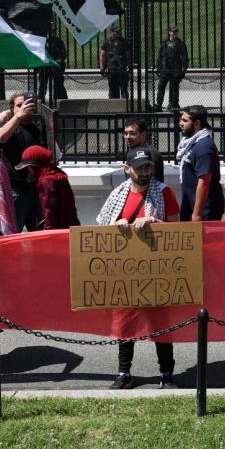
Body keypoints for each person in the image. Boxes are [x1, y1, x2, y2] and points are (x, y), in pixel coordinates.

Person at [96, 146, 181, 389]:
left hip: (156, 270)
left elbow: (178, 231)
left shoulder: (164, 193)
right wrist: (118, 224)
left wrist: (155, 222)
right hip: (125, 272)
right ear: (127, 169)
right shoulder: (117, 195)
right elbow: (101, 229)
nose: (145, 172)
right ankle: (124, 373)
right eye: (139, 167)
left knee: (160, 323)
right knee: (125, 323)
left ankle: (166, 374)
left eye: (148, 167)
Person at [0, 91, 47, 231]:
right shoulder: (8, 125)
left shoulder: (37, 128)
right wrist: (18, 116)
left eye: (27, 104)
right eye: (19, 105)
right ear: (12, 108)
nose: (23, 107)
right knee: (13, 232)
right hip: (15, 190)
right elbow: (1, 137)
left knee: (39, 233)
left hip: (35, 190)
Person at [176, 106, 224, 222]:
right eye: (181, 119)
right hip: (190, 207)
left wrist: (197, 214)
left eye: (185, 120)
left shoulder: (204, 147)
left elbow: (204, 182)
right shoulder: (192, 142)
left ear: (197, 123)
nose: (181, 123)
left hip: (204, 212)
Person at [16, 145, 80, 229]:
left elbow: (49, 211)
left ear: (35, 166)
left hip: (58, 230)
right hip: (70, 226)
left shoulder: (46, 182)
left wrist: (48, 231)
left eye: (28, 167)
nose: (28, 171)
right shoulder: (58, 175)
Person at [103, 119, 151, 189]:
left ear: (143, 135)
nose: (128, 137)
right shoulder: (132, 152)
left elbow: (152, 186)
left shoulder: (150, 154)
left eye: (132, 133)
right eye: (126, 133)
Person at [155, 25, 189, 111]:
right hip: (165, 69)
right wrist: (158, 67)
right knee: (161, 87)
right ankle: (159, 105)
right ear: (169, 32)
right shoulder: (164, 43)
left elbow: (185, 57)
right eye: (173, 32)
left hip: (175, 69)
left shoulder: (181, 44)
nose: (174, 33)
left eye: (176, 32)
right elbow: (160, 56)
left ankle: (173, 105)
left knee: (174, 88)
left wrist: (184, 69)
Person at [99, 26, 131, 100]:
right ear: (111, 32)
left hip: (121, 68)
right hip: (113, 68)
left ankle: (123, 107)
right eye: (116, 31)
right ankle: (116, 107)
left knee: (123, 90)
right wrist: (102, 67)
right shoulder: (107, 42)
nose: (118, 33)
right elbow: (102, 55)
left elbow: (128, 54)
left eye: (119, 31)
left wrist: (128, 65)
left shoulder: (124, 41)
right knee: (114, 90)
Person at [38, 31, 69, 103]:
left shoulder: (59, 42)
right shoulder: (43, 41)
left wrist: (59, 60)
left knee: (58, 84)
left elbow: (63, 54)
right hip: (44, 66)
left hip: (55, 66)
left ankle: (59, 100)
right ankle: (40, 100)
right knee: (42, 84)